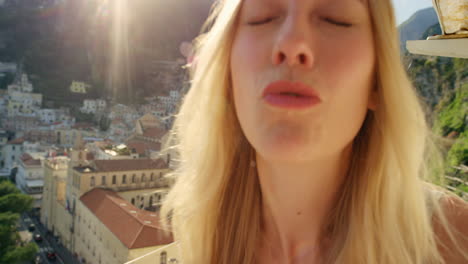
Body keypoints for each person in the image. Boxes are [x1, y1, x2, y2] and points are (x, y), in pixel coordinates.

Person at [160, 0, 468, 263]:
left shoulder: (455, 242)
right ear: (227, 71)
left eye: (336, 18)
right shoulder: (201, 235)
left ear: (377, 80)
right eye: (263, 17)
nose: (292, 44)